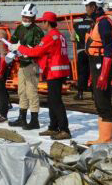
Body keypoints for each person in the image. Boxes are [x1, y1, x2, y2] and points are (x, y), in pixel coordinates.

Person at [9, 11, 71, 139]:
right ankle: (53, 127)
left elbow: (38, 51)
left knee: (56, 102)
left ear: (47, 23)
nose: (42, 24)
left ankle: (64, 129)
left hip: (54, 72)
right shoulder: (60, 36)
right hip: (60, 71)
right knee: (52, 100)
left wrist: (20, 48)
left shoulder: (50, 36)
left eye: (43, 21)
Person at [83, 0, 112, 144]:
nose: (85, 9)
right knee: (98, 100)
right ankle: (102, 137)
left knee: (103, 101)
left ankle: (106, 139)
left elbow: (108, 49)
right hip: (95, 64)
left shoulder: (103, 23)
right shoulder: (96, 22)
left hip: (102, 64)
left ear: (94, 6)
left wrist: (104, 73)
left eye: (87, 6)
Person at [9, 3, 44, 129]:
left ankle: (34, 120)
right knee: (21, 92)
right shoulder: (19, 28)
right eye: (24, 17)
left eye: (28, 18)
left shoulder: (38, 31)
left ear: (34, 18)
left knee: (31, 92)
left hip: (32, 64)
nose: (25, 20)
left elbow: (39, 50)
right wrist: (12, 48)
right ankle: (22, 118)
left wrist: (27, 50)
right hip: (22, 64)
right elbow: (13, 41)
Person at [72, 16, 93, 100]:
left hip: (80, 51)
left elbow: (72, 38)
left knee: (82, 73)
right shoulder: (93, 24)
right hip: (91, 51)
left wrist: (78, 40)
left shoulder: (76, 25)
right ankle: (94, 95)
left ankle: (80, 94)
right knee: (92, 73)